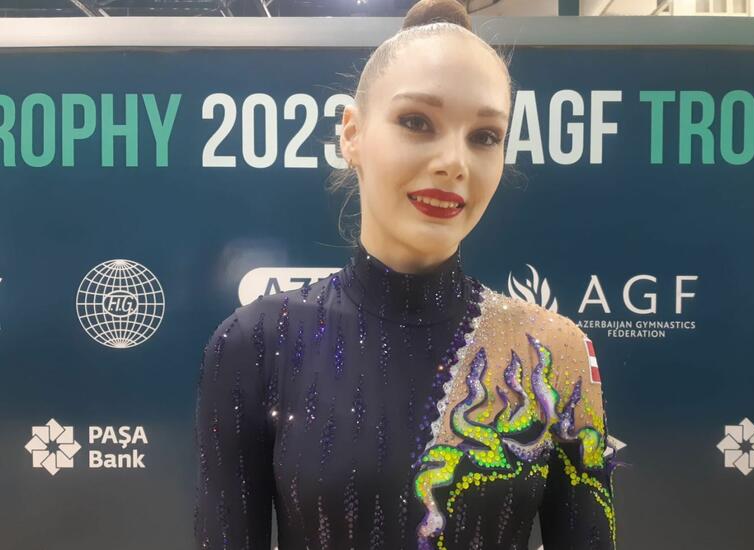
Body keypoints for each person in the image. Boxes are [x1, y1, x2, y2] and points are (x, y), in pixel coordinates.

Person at [193, 0, 619, 548]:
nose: (454, 162)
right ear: (352, 134)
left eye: (484, 135)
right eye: (417, 122)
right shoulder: (255, 344)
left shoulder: (551, 355)